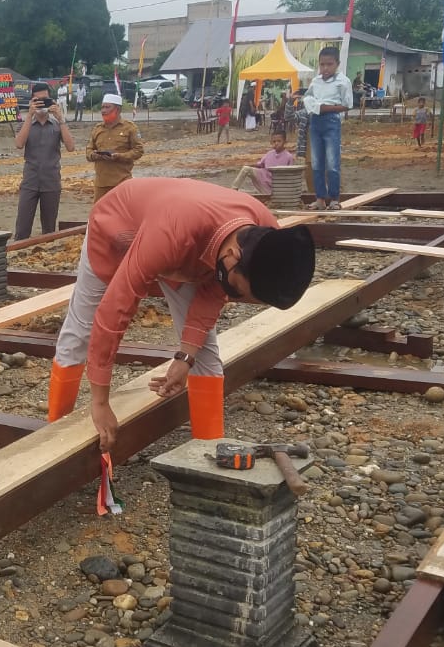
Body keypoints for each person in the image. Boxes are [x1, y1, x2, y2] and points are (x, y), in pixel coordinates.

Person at [46, 178, 315, 451]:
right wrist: (100, 403)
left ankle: (208, 450)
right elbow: (115, 309)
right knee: (81, 328)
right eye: (236, 291)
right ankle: (54, 434)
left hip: (186, 245)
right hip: (119, 225)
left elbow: (212, 294)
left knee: (204, 349)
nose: (231, 298)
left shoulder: (266, 236)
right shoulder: (172, 233)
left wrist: (185, 358)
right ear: (233, 256)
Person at [13, 82, 75, 241]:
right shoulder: (25, 124)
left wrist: (60, 118)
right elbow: (19, 144)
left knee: (49, 228)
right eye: (37, 100)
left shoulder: (56, 125)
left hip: (51, 181)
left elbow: (71, 147)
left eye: (45, 100)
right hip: (30, 181)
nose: (41, 103)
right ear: (31, 102)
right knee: (22, 226)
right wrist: (29, 115)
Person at [302, 45, 353, 210]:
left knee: (332, 162)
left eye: (329, 64)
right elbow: (307, 98)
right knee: (317, 163)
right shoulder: (316, 81)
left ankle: (334, 199)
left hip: (331, 122)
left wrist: (326, 108)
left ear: (337, 64)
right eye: (322, 64)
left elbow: (347, 105)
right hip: (315, 122)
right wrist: (317, 108)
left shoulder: (343, 81)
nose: (325, 68)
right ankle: (320, 199)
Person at [86, 93, 143, 203]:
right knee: (100, 215)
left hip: (122, 182)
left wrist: (120, 156)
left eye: (107, 107)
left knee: (122, 214)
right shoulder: (97, 129)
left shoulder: (130, 128)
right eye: (102, 107)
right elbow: (88, 151)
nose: (103, 110)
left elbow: (138, 150)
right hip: (101, 184)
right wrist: (95, 155)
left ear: (117, 109)